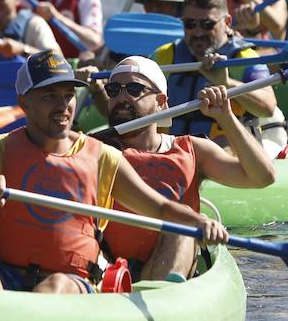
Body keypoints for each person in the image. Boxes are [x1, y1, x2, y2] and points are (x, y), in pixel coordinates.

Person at [0, 51, 227, 294]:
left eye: (68, 95)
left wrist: (200, 221)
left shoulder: (102, 156)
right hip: (3, 273)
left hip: (72, 282)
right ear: (24, 103)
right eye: (49, 96)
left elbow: (159, 208)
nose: (63, 106)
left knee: (54, 286)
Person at [93, 57, 275, 281]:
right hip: (110, 270)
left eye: (134, 89)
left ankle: (162, 293)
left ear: (161, 102)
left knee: (184, 220)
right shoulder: (93, 149)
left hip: (171, 267)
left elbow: (263, 177)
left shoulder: (192, 150)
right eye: (113, 90)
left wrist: (226, 117)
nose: (121, 97)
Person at [151, 0, 285, 152]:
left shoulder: (244, 57)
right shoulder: (164, 56)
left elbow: (268, 107)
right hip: (171, 153)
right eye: (190, 24)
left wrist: (226, 84)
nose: (198, 32)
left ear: (227, 23)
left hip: (227, 157)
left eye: (208, 24)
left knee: (223, 144)